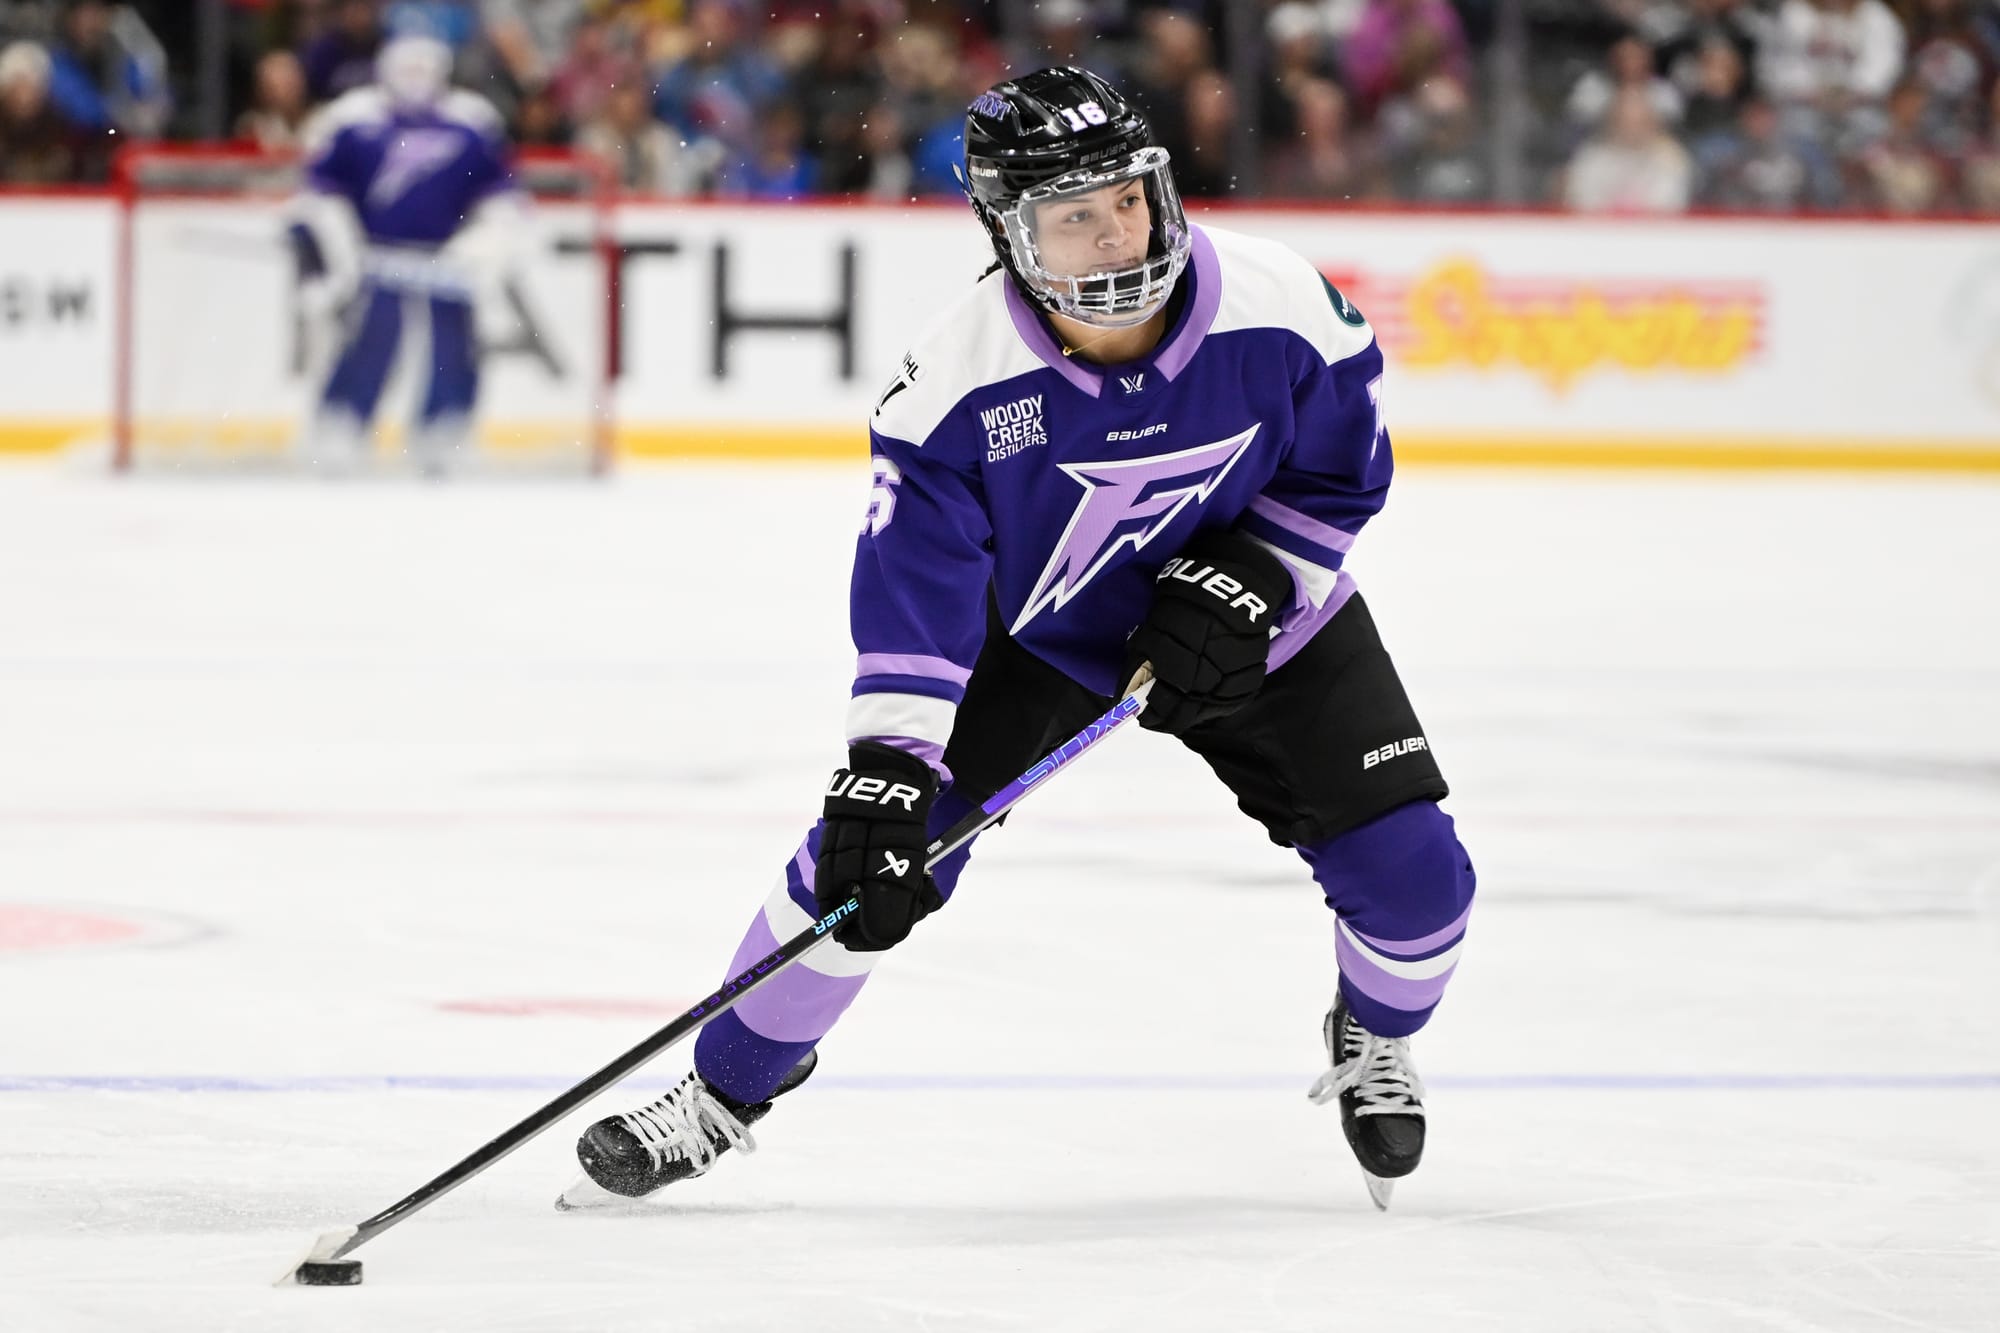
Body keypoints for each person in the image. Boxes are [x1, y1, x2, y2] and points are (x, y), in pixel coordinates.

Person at [559, 66, 1477, 1210]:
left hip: (1258, 625)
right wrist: (888, 769)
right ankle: (720, 1091)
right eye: (1074, 216)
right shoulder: (955, 381)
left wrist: (1256, 575)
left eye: (1128, 198)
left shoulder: (1277, 300)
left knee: (1419, 880)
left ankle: (1374, 1031)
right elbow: (917, 585)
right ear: (1009, 233)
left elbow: (1340, 473)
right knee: (860, 869)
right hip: (1040, 636)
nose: (1117, 234)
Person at [289, 33, 525, 474]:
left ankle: (445, 427)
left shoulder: (471, 121)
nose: (416, 78)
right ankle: (342, 422)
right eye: (407, 68)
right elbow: (321, 192)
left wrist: (476, 248)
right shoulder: (353, 119)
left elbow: (500, 196)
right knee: (369, 338)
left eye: (424, 68)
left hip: (446, 261)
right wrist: (343, 247)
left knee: (454, 344)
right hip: (372, 258)